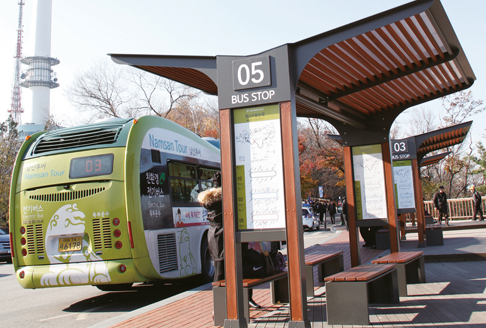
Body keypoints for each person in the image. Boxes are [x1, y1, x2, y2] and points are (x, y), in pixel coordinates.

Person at [197, 172, 224, 281]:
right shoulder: (222, 199)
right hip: (221, 234)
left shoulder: (209, 200)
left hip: (212, 234)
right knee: (223, 270)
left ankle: (219, 294)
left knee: (218, 268)